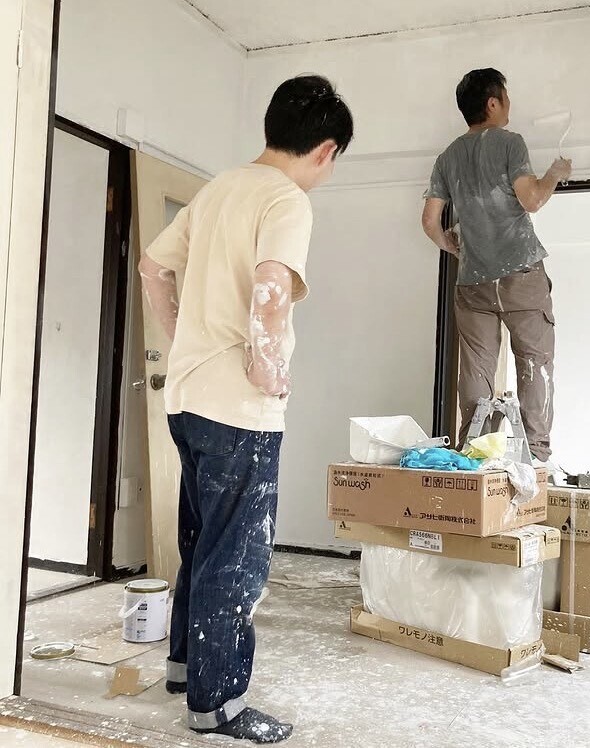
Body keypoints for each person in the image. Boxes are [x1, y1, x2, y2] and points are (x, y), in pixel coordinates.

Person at [139, 75, 353, 743]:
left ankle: (183, 667)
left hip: (186, 398)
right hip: (238, 408)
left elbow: (151, 268)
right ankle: (219, 705)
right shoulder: (286, 199)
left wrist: (184, 338)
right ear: (325, 150)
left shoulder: (218, 189)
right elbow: (270, 285)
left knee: (201, 541)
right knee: (237, 557)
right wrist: (266, 366)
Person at [421, 68, 572, 467]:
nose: (509, 105)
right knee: (534, 362)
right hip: (521, 273)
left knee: (476, 367)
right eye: (505, 98)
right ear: (493, 103)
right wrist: (555, 174)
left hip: (473, 281)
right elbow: (532, 200)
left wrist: (452, 246)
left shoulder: (447, 158)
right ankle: (536, 456)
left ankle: (475, 452)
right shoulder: (509, 143)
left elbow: (430, 222)